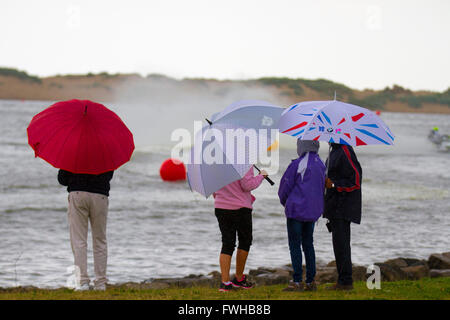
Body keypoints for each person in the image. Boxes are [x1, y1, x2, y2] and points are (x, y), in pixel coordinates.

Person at [278, 140, 326, 291]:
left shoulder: (298, 164)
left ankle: (297, 280)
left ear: (302, 146)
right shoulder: (321, 165)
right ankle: (311, 281)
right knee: (308, 244)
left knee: (295, 245)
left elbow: (285, 187)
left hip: (296, 211)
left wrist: (286, 202)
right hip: (312, 212)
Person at [213, 166, 268, 292]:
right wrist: (261, 176)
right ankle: (238, 279)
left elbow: (214, 190)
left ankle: (225, 283)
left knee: (227, 243)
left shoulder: (216, 163)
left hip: (221, 207)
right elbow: (246, 185)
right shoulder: (244, 162)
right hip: (240, 208)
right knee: (245, 242)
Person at [58, 169, 114, 291]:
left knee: (79, 241)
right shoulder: (104, 151)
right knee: (100, 240)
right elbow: (109, 175)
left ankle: (83, 282)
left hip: (78, 193)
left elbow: (62, 179)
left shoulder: (73, 151)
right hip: (100, 195)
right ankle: (100, 283)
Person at [323, 142, 362, 291]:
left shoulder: (345, 150)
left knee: (342, 245)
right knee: (339, 245)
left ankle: (345, 281)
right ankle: (343, 280)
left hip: (343, 207)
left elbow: (356, 180)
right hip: (334, 206)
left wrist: (333, 185)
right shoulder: (334, 151)